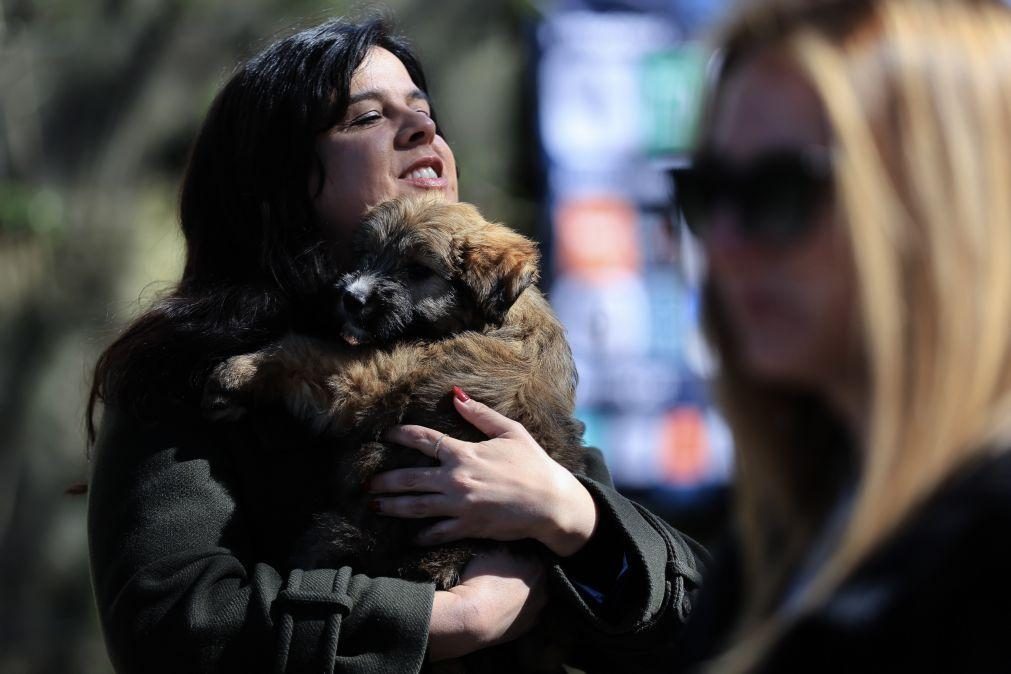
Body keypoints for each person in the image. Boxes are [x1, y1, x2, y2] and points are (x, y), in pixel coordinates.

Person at [378, 0, 1011, 671]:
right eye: (708, 193)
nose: (723, 246)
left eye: (777, 193)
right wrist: (578, 528)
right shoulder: (801, 524)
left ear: (942, 202)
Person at [85, 16, 704, 674]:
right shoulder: (187, 371)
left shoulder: (496, 346)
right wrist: (451, 619)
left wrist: (571, 514)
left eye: (423, 110)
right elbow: (171, 624)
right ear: (278, 180)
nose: (420, 129)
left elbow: (702, 611)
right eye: (364, 117)